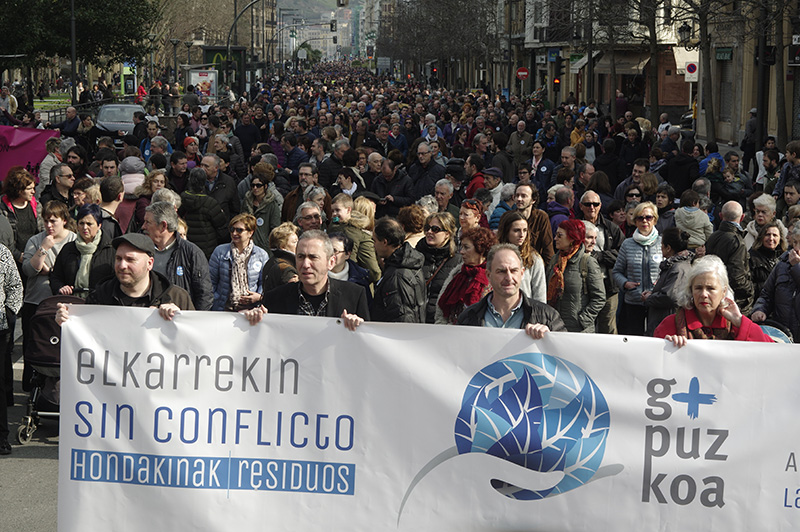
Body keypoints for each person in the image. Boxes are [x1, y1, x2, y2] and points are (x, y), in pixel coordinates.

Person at [55, 233, 195, 325]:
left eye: (130, 260)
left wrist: (181, 320)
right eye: (118, 259)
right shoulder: (99, 298)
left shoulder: (176, 297)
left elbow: (194, 341)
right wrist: (68, 321)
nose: (122, 265)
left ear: (150, 263)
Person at [252, 230, 369, 327]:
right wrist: (252, 322)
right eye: (300, 257)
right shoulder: (275, 299)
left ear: (331, 262)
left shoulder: (354, 295)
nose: (305, 264)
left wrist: (358, 328)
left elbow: (367, 345)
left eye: (313, 257)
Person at [655, 255, 773, 345]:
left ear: (723, 291)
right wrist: (666, 347)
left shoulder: (735, 324)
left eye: (711, 288)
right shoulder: (671, 324)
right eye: (698, 288)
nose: (704, 294)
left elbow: (771, 350)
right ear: (691, 290)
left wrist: (740, 322)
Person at [20, 201, 77, 387]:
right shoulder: (36, 240)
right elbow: (30, 269)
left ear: (64, 221)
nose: (49, 225)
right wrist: (43, 249)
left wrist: (52, 272)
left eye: (53, 221)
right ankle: (31, 385)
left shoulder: (73, 241)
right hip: (36, 301)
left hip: (65, 304)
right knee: (34, 344)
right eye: (45, 221)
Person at [456, 244, 566, 338]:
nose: (509, 278)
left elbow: (565, 354)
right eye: (501, 271)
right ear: (488, 275)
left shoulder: (547, 317)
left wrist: (550, 338)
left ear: (522, 273)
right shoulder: (468, 318)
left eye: (514, 271)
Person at [142, 201, 213, 311]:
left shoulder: (192, 253)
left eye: (148, 222)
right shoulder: (140, 249)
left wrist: (193, 321)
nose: (143, 226)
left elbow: (204, 294)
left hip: (178, 321)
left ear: (163, 226)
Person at [545, 219, 605, 333]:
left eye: (559, 235)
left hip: (579, 331)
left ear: (572, 238)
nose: (555, 238)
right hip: (555, 327)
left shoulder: (587, 262)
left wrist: (583, 320)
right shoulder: (555, 260)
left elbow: (599, 298)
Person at [613, 201, 662, 336]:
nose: (644, 221)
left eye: (648, 217)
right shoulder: (627, 244)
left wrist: (660, 285)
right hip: (633, 301)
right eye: (640, 218)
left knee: (655, 338)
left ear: (655, 220)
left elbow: (668, 272)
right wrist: (625, 284)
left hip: (656, 301)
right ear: (635, 221)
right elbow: (617, 271)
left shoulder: (662, 243)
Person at [579, 191, 624, 333]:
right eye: (588, 204)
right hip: (581, 285)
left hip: (607, 285)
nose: (592, 207)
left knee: (608, 328)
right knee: (583, 326)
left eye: (595, 204)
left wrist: (598, 256)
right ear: (581, 206)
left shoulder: (611, 228)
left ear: (600, 206)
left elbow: (623, 254)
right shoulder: (574, 226)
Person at [50, 204, 115, 298]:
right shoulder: (68, 249)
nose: (85, 228)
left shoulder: (111, 249)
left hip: (101, 304)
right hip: (72, 302)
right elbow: (56, 277)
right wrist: (61, 288)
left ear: (99, 225)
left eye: (89, 224)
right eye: (81, 223)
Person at [435, 226, 496, 324]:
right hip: (451, 333)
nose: (461, 252)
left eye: (466, 247)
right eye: (462, 247)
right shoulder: (458, 273)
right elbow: (442, 308)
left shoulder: (492, 276)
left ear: (480, 248)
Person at [209, 214, 269, 312]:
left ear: (250, 232)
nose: (234, 233)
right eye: (232, 229)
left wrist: (259, 297)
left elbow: (264, 283)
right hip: (224, 308)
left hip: (251, 310)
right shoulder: (220, 251)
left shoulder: (261, 255)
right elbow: (211, 281)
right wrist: (216, 298)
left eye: (239, 230)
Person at [371, 217, 426, 323]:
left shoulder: (398, 275)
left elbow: (402, 316)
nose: (373, 245)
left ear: (385, 242)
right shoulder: (406, 264)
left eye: (375, 240)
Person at [751, 223, 800, 342]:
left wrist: (797, 267)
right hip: (783, 334)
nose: (797, 248)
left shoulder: (794, 264)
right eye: (795, 243)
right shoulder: (782, 265)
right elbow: (767, 294)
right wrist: (760, 309)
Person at [705, 200, 754, 314]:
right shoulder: (737, 242)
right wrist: (750, 288)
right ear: (742, 218)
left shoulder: (713, 236)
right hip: (733, 301)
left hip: (714, 294)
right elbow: (736, 277)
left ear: (721, 216)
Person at [643, 227, 694, 336]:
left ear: (668, 248)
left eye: (662, 244)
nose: (660, 247)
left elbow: (670, 297)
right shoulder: (676, 266)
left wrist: (649, 298)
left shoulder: (678, 269)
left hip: (666, 322)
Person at [416, 212, 460, 324]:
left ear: (447, 234)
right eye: (427, 228)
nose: (429, 232)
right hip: (415, 321)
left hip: (439, 323)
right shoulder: (415, 256)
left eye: (435, 229)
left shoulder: (457, 260)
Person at [328, 194, 381, 283]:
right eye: (332, 211)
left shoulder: (334, 229)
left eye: (337, 210)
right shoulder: (361, 235)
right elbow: (374, 272)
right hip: (354, 283)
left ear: (349, 210)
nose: (334, 214)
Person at [0, 244, 22, 455]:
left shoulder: (2, 253)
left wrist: (8, 313)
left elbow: (15, 286)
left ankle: (1, 438)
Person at [178, 168, 230, 259]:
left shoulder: (183, 198)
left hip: (188, 240)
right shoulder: (210, 203)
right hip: (206, 244)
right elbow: (221, 222)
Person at [497, 211, 546, 302]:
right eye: (516, 230)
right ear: (506, 231)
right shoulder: (495, 255)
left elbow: (540, 294)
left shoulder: (533, 258)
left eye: (525, 230)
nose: (522, 235)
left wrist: (538, 315)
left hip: (526, 311)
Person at [1, 167, 39, 265]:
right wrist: (18, 256)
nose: (33, 192)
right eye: (29, 189)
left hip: (33, 257)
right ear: (18, 190)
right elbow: (3, 238)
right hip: (11, 259)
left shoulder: (36, 205)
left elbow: (41, 230)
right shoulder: (2, 207)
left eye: (34, 188)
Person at [241, 164, 281, 250]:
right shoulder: (246, 202)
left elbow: (275, 228)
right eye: (253, 185)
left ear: (265, 186)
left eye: (258, 185)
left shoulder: (272, 204)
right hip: (246, 243)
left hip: (264, 246)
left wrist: (268, 243)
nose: (255, 188)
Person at [748, 221, 787, 302]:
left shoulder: (785, 257)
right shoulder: (752, 257)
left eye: (775, 235)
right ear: (762, 237)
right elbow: (748, 285)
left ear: (780, 239)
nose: (771, 238)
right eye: (767, 234)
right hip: (759, 304)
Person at [328, 232, 372, 298]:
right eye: (327, 250)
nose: (330, 254)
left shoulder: (360, 278)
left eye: (335, 251)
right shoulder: (315, 273)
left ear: (347, 254)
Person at [261, 222, 300, 292]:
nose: (299, 244)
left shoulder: (271, 261)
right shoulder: (286, 269)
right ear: (283, 247)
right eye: (295, 242)